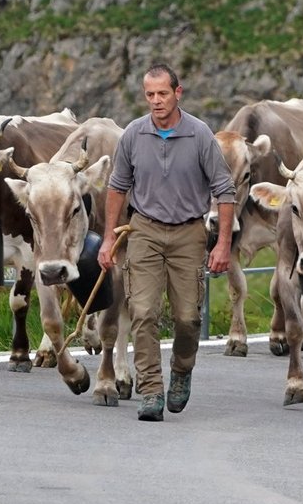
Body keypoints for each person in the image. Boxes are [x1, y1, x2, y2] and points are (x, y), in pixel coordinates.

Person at [98, 64, 235, 422]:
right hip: (143, 231)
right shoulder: (132, 135)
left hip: (189, 234)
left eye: (163, 94)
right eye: (150, 95)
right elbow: (117, 187)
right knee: (143, 313)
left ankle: (182, 370)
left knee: (188, 318)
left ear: (178, 92)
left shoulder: (200, 135)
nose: (156, 101)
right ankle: (151, 390)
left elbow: (225, 190)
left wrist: (222, 245)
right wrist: (109, 236)